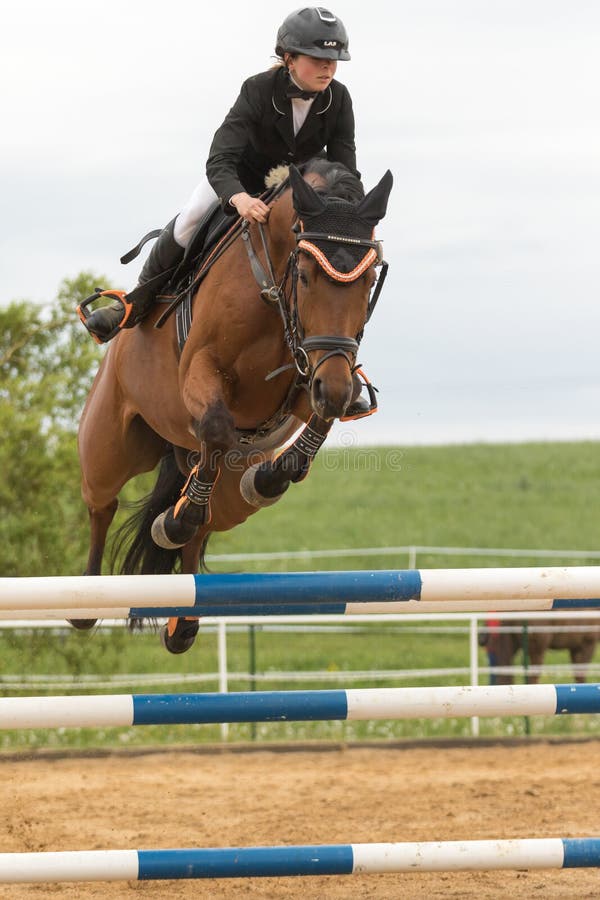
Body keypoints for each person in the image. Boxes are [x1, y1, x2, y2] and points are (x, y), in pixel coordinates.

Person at [81, 6, 358, 344]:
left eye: (333, 60)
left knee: (342, 265)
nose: (328, 67)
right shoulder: (257, 90)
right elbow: (220, 158)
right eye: (317, 58)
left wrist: (352, 215)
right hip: (241, 181)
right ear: (288, 58)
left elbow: (344, 169)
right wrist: (238, 197)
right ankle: (134, 302)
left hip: (298, 196)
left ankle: (344, 360)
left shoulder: (339, 99)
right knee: (190, 218)